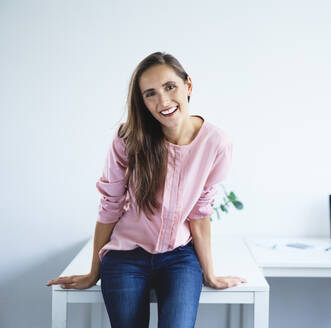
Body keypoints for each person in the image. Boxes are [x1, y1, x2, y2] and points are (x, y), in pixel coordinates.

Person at [46, 52, 247, 328]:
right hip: (126, 255)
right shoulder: (128, 138)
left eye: (170, 87)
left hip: (179, 256)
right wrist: (94, 271)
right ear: (142, 101)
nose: (163, 101)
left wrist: (210, 273)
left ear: (188, 86)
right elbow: (110, 205)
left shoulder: (216, 143)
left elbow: (200, 211)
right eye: (150, 94)